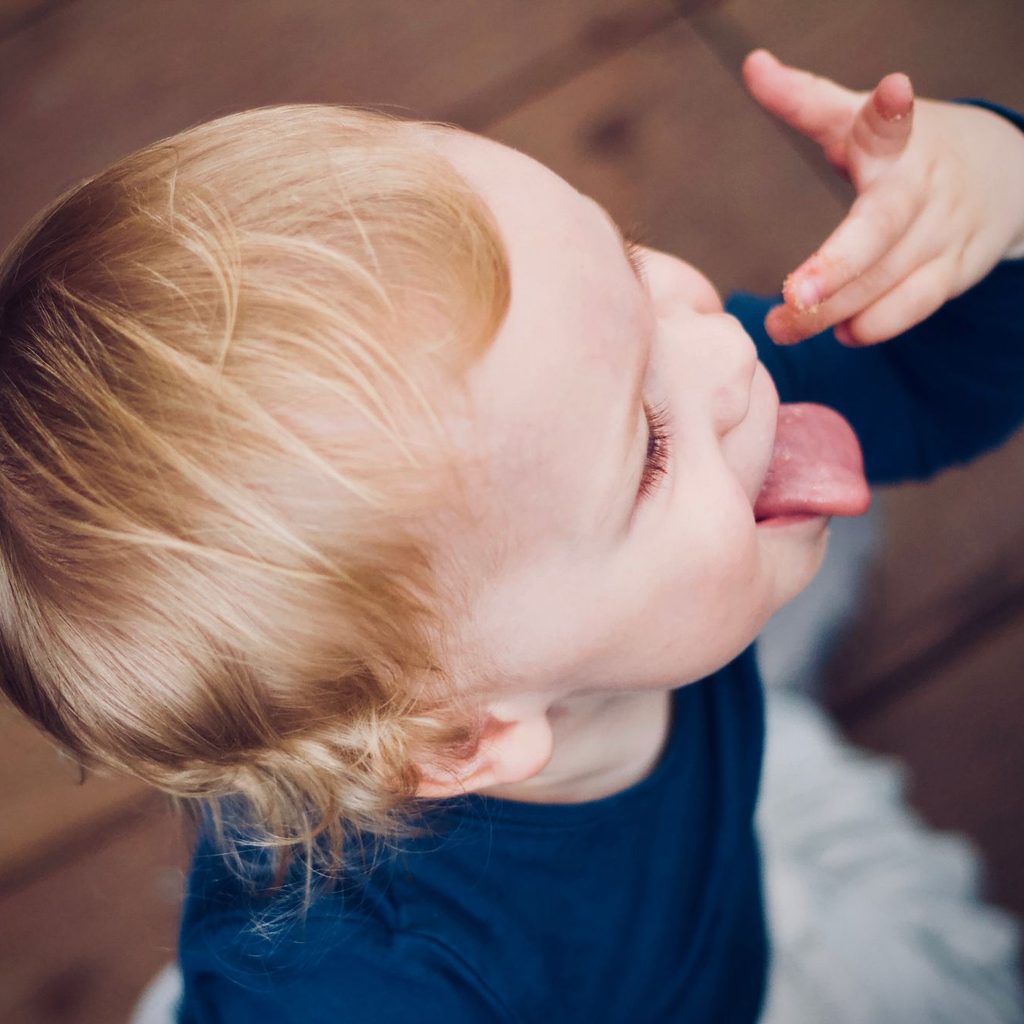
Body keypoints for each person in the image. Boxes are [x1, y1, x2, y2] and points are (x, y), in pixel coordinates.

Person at [1, 48, 1022, 1023]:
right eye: (651, 445)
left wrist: (995, 205)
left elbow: (919, 384)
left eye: (629, 261)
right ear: (467, 738)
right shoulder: (366, 986)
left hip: (710, 887)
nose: (726, 348)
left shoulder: (588, 439)